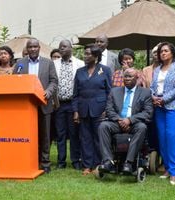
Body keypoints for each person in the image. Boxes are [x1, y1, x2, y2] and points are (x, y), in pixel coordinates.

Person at [13, 38, 58, 174]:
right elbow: (14, 80)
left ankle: (45, 162)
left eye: (35, 47)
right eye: (30, 47)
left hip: (44, 104)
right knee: (27, 135)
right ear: (27, 49)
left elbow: (54, 81)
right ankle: (29, 160)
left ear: (39, 48)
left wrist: (48, 92)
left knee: (45, 135)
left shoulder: (48, 63)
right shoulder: (20, 63)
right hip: (26, 106)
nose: (32, 49)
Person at [98, 68, 153, 174]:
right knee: (103, 126)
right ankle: (108, 161)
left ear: (137, 78)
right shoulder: (114, 91)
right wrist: (120, 120)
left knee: (142, 127)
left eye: (130, 76)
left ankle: (129, 162)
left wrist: (130, 120)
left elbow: (148, 113)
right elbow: (109, 109)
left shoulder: (145, 92)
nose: (127, 79)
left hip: (135, 124)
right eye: (125, 76)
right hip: (117, 123)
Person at [150, 42, 175, 185]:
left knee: (172, 136)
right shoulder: (157, 69)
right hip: (158, 107)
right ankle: (166, 167)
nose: (163, 53)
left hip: (173, 107)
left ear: (172, 52)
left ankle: (174, 172)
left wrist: (164, 99)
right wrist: (153, 97)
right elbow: (152, 87)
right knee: (162, 137)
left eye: (166, 51)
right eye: (161, 52)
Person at [72, 44, 112, 175]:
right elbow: (76, 93)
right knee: (85, 138)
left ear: (96, 56)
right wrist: (76, 111)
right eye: (85, 53)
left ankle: (98, 164)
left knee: (98, 138)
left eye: (88, 54)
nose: (85, 56)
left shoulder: (105, 70)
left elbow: (109, 92)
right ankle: (87, 165)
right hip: (83, 109)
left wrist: (107, 109)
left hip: (100, 109)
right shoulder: (80, 71)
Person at [54, 40, 84, 170]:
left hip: (73, 103)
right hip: (59, 104)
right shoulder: (53, 64)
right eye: (60, 47)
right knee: (60, 134)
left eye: (64, 47)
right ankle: (61, 161)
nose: (62, 49)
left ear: (71, 48)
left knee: (74, 133)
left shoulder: (79, 63)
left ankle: (75, 160)